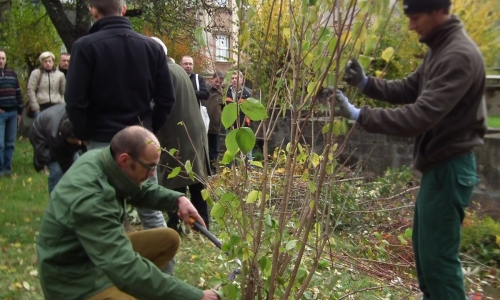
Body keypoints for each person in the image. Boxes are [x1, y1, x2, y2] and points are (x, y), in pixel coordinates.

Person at [330, 1, 487, 299]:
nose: (411, 26)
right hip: (439, 169)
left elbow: (419, 116)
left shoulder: (458, 56)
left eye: (415, 17)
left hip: (450, 169)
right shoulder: (441, 50)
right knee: (427, 261)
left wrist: (358, 115)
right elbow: (409, 88)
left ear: (437, 11)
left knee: (438, 263)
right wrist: (366, 84)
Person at [36, 126, 219, 300]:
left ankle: (136, 289)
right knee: (130, 277)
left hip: (95, 254)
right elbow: (124, 268)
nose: (152, 174)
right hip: (75, 279)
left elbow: (140, 189)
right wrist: (194, 296)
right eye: (149, 167)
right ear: (125, 159)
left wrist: (177, 200)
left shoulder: (104, 161)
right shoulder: (91, 198)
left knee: (169, 239)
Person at [65, 0, 176, 231]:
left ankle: (112, 263)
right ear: (123, 9)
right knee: (151, 213)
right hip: (139, 142)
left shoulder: (85, 47)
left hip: (102, 142)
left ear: (93, 10)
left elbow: (75, 102)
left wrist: (84, 134)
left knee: (103, 213)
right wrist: (147, 131)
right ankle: (163, 267)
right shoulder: (151, 47)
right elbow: (167, 99)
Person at [151, 38, 211, 232]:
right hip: (190, 132)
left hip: (176, 133)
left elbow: (160, 104)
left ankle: (172, 227)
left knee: (172, 180)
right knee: (195, 180)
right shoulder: (177, 69)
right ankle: (202, 226)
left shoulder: (164, 72)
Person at [28, 103, 85, 194]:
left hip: (53, 120)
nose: (79, 142)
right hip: (40, 135)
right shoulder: (55, 137)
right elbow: (65, 164)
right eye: (75, 140)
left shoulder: (77, 121)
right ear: (63, 136)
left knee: (77, 164)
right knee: (57, 169)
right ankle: (55, 201)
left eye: (79, 138)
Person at [0, 49, 23, 178]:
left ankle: (7, 169)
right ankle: (0, 170)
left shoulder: (12, 74)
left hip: (13, 112)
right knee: (0, 143)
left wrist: (20, 112)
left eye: (3, 58)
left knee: (10, 143)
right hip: (1, 113)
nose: (1, 61)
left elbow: (19, 93)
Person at [27, 51, 66, 117]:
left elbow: (64, 92)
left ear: (53, 62)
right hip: (41, 106)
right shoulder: (36, 73)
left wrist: (61, 104)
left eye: (50, 61)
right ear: (42, 62)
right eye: (45, 61)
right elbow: (30, 90)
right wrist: (35, 107)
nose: (48, 63)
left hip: (56, 106)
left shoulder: (60, 75)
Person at [226, 70, 253, 160]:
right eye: (232, 78)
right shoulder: (226, 92)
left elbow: (251, 111)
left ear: (242, 80)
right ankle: (232, 171)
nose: (234, 80)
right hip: (230, 126)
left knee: (245, 150)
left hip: (243, 126)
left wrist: (247, 122)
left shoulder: (248, 94)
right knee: (231, 150)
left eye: (236, 78)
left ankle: (248, 169)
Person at [204, 71, 225, 173]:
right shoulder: (204, 90)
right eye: (216, 81)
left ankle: (213, 170)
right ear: (211, 79)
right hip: (203, 126)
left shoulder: (222, 94)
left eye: (220, 83)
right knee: (203, 149)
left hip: (215, 126)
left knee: (214, 150)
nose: (218, 84)